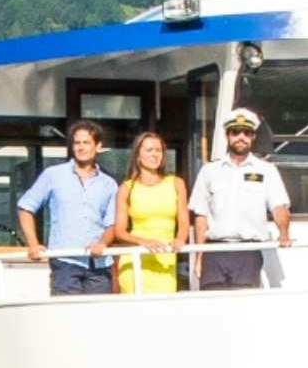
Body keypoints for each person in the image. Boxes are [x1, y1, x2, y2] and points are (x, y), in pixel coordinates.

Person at [189, 105, 293, 289]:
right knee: (212, 306)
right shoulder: (209, 171)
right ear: (227, 136)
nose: (240, 138)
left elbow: (279, 207)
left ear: (253, 137)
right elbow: (201, 216)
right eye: (235, 132)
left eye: (246, 133)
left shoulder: (266, 171)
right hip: (214, 250)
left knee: (243, 307)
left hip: (248, 251)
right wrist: (199, 255)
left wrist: (284, 234)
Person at [15, 121, 123, 295]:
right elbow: (26, 207)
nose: (81, 148)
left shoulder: (108, 184)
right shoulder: (54, 174)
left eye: (86, 143)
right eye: (77, 143)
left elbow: (111, 223)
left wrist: (103, 243)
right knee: (66, 317)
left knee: (98, 318)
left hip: (99, 265)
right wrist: (33, 244)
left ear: (98, 146)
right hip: (65, 262)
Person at [106, 129, 188, 295]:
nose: (154, 155)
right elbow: (120, 231)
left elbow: (184, 222)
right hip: (135, 259)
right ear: (138, 155)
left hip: (165, 260)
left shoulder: (176, 183)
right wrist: (144, 241)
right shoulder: (126, 188)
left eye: (158, 150)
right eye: (149, 150)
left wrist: (180, 239)